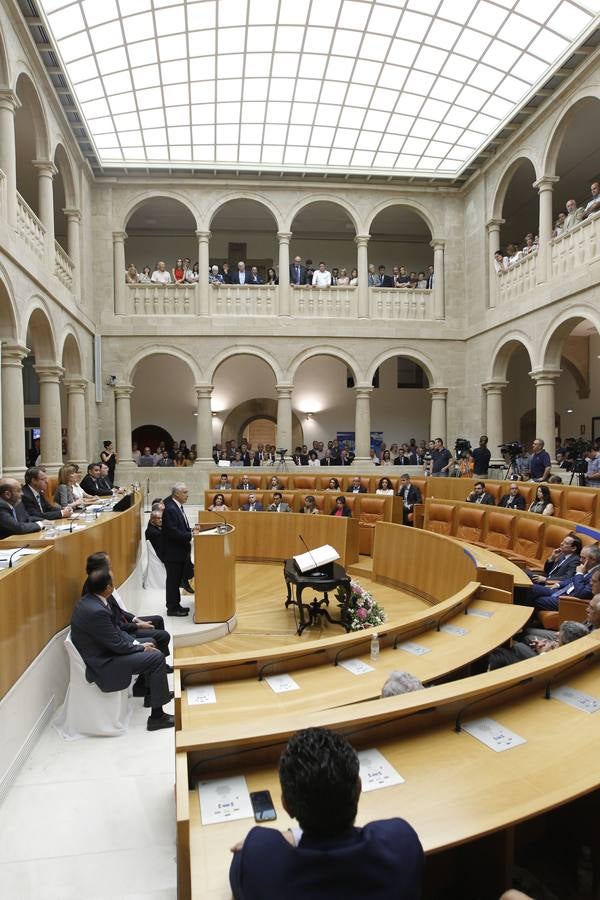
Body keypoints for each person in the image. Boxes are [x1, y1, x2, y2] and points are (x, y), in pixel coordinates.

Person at [229, 727, 424, 900]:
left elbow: (248, 860)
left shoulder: (257, 860)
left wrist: (290, 836)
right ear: (358, 788)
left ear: (286, 806)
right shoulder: (402, 843)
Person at [70, 568, 174, 731]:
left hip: (105, 652)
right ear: (107, 589)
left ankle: (150, 694)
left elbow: (116, 634)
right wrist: (139, 648)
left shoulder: (91, 602)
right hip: (104, 662)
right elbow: (117, 645)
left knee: (151, 646)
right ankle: (157, 717)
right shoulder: (97, 611)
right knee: (156, 658)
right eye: (112, 584)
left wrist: (137, 644)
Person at [518, 543, 600, 611]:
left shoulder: (596, 575)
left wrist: (579, 574)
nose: (580, 560)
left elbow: (581, 593)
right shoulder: (586, 568)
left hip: (568, 600)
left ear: (593, 560)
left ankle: (522, 618)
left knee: (535, 597)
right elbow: (571, 579)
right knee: (531, 588)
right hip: (560, 591)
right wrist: (559, 584)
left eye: (583, 558)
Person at [489, 619, 588, 669]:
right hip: (546, 659)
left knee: (499, 652)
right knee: (519, 646)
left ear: (567, 643)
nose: (556, 634)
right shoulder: (574, 646)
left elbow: (547, 667)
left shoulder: (566, 656)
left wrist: (542, 653)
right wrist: (548, 647)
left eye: (560, 635)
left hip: (541, 669)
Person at [162, 483, 198, 616]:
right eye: (185, 492)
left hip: (178, 551)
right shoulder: (171, 508)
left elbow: (179, 527)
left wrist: (190, 530)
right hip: (173, 552)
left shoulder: (175, 505)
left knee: (176, 580)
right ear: (177, 493)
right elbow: (172, 532)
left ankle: (176, 605)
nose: (187, 495)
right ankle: (172, 608)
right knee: (172, 581)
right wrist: (190, 534)